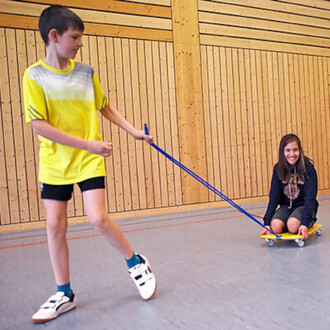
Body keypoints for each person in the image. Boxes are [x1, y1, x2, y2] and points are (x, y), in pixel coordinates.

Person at [23, 5, 156, 323]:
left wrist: (133, 131)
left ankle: (135, 261)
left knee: (97, 218)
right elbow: (39, 126)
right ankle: (64, 293)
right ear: (53, 36)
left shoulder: (85, 72)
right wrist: (89, 143)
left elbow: (104, 107)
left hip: (88, 161)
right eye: (75, 37)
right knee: (55, 226)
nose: (79, 43)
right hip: (56, 162)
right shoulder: (35, 76)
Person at [261, 134, 318, 240]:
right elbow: (274, 197)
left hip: (304, 206)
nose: (292, 154)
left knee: (292, 224)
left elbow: (310, 199)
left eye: (295, 150)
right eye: (288, 150)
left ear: (300, 151)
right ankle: (289, 221)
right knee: (276, 226)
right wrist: (267, 222)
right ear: (282, 152)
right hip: (286, 206)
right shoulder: (278, 169)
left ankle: (298, 221)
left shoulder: (308, 168)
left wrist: (305, 223)